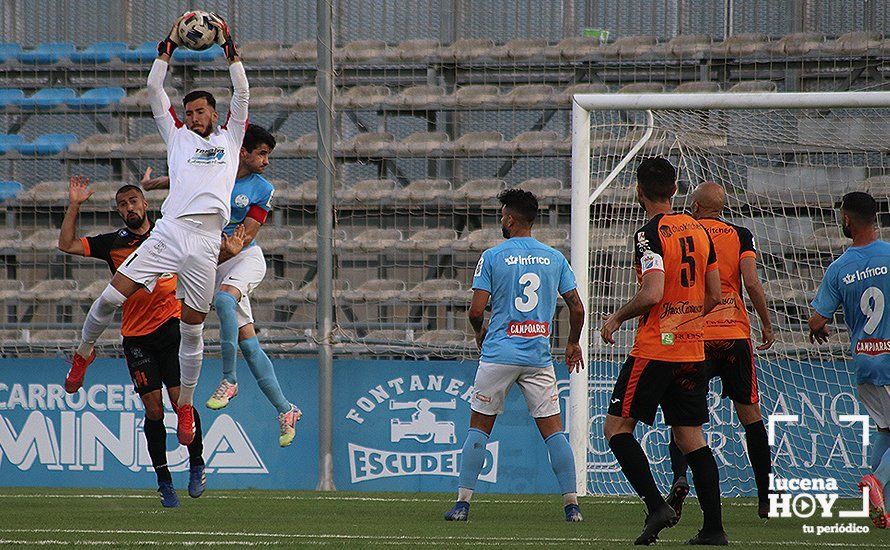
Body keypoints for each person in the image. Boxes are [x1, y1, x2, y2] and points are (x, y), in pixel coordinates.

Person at [65, 12, 249, 447]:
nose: (191, 116)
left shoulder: (231, 138)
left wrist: (229, 48)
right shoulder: (177, 137)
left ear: (214, 113)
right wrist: (168, 42)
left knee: (192, 330)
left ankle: (185, 407)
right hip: (169, 232)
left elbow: (242, 89)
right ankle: (83, 354)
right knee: (110, 298)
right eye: (187, 111)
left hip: (207, 242)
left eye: (199, 110)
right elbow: (153, 89)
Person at [57, 176, 240, 507]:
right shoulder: (113, 243)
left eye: (133, 202)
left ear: (145, 204)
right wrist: (75, 204)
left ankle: (196, 463)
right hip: (137, 338)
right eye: (123, 204)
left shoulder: (170, 235)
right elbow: (66, 245)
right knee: (153, 409)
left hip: (171, 329)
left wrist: (226, 253)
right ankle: (163, 479)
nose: (129, 208)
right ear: (119, 211)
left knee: (178, 400)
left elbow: (202, 261)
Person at [142, 124, 301, 447]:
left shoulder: (261, 189)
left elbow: (246, 236)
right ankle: (286, 410)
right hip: (208, 260)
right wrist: (156, 183)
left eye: (268, 155)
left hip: (241, 257)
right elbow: (189, 181)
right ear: (243, 151)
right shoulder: (218, 169)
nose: (266, 161)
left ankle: (229, 379)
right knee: (250, 344)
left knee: (226, 302)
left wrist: (206, 257)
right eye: (262, 153)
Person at [600, 158, 725, 545]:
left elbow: (652, 292)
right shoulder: (701, 232)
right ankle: (714, 530)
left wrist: (617, 317)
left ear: (639, 192)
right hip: (691, 350)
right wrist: (684, 322)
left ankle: (656, 504)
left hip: (656, 349)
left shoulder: (649, 234)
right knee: (691, 437)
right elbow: (716, 295)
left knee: (617, 429)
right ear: (674, 191)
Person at [444, 188, 586, 523]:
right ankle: (572, 506)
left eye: (502, 214)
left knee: (479, 428)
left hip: (499, 354)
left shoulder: (493, 256)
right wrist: (572, 343)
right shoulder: (555, 258)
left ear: (509, 218)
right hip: (537, 356)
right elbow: (577, 306)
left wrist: (481, 333)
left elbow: (476, 310)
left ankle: (463, 504)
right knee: (554, 432)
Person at [665, 182, 776, 520]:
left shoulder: (685, 233)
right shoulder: (740, 234)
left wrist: (668, 335)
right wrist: (766, 324)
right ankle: (766, 495)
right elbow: (752, 281)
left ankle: (681, 478)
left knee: (684, 418)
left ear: (695, 206)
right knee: (751, 417)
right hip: (733, 334)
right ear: (723, 208)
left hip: (692, 333)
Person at [808, 191, 890, 529]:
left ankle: (882, 508)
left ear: (846, 220)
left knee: (885, 430)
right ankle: (876, 482)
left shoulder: (839, 268)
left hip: (865, 365)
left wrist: (822, 328)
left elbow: (815, 321)